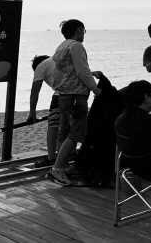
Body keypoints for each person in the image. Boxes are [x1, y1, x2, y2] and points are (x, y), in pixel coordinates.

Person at [51, 19, 102, 184]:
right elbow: (82, 71)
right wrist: (95, 89)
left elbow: (65, 72)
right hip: (76, 95)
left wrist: (89, 74)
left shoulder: (62, 46)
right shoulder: (76, 46)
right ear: (79, 30)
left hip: (63, 94)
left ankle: (62, 165)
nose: (84, 34)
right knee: (76, 133)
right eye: (83, 31)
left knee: (65, 131)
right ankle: (58, 168)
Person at [27, 55, 59, 168]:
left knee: (53, 126)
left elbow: (35, 91)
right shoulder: (56, 60)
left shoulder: (40, 67)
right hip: (78, 93)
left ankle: (51, 158)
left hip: (61, 95)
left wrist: (32, 113)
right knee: (67, 127)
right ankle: (67, 154)